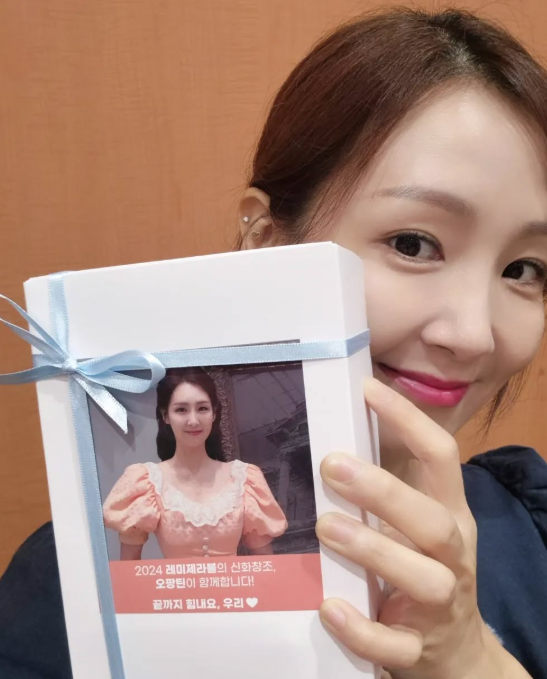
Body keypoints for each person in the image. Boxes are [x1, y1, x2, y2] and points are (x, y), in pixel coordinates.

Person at [1, 7, 547, 679]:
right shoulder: (69, 592)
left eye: (524, 269)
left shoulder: (533, 536)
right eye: (412, 243)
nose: (472, 335)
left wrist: (473, 661)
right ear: (265, 241)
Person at [102, 367, 287, 559]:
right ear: (166, 416)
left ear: (214, 413)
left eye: (202, 408)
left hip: (237, 581)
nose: (193, 420)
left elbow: (266, 563)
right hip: (173, 580)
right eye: (181, 410)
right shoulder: (145, 482)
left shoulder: (244, 478)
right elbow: (129, 569)